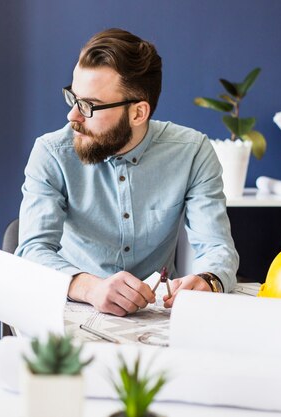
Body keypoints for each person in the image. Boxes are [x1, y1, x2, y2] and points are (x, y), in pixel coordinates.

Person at [16, 28, 239, 316]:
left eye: (89, 106)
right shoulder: (51, 153)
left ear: (138, 113)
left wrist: (209, 280)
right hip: (73, 308)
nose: (73, 116)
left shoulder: (192, 151)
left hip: (156, 317)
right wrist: (92, 289)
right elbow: (32, 252)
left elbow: (217, 247)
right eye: (73, 98)